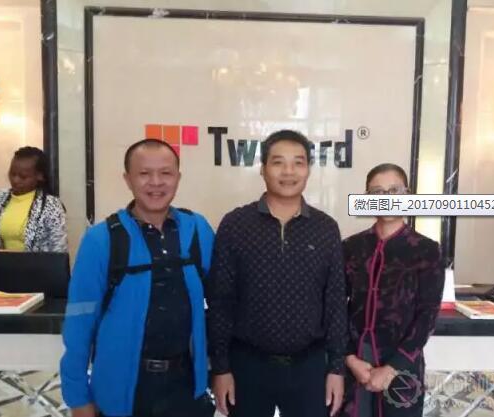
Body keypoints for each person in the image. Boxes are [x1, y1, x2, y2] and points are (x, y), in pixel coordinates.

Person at [60, 139, 215, 417]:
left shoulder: (197, 230)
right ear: (128, 179)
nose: (156, 182)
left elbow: (223, 302)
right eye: (144, 173)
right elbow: (78, 324)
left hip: (186, 388)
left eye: (165, 173)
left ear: (178, 178)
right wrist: (78, 398)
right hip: (121, 393)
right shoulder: (101, 240)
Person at [208, 129, 347, 417]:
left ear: (308, 170)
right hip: (247, 365)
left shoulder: (325, 228)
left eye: (298, 163)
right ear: (263, 169)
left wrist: (336, 368)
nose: (288, 172)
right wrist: (220, 368)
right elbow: (221, 300)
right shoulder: (236, 225)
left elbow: (335, 302)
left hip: (309, 367)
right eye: (278, 162)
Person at [339, 163, 444, 417]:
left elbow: (427, 315)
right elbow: (335, 307)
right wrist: (349, 358)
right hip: (354, 363)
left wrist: (392, 368)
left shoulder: (426, 250)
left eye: (394, 190)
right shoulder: (351, 247)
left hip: (402, 366)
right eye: (377, 192)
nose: (386, 198)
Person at [0, 146, 67, 252]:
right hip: (4, 263)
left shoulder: (51, 205)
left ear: (40, 176)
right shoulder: (0, 199)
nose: (15, 180)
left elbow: (59, 250)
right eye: (12, 174)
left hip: (38, 263)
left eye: (23, 177)